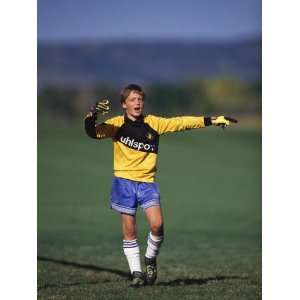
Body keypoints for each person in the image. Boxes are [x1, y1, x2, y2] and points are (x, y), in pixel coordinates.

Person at [84, 83, 237, 287]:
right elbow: (92, 132)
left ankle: (150, 259)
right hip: (123, 182)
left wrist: (212, 120)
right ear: (124, 104)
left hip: (147, 183)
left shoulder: (154, 123)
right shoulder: (116, 124)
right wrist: (92, 114)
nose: (137, 103)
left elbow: (181, 122)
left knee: (157, 225)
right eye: (132, 99)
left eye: (140, 99)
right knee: (129, 230)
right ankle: (137, 273)